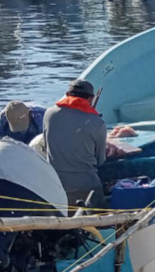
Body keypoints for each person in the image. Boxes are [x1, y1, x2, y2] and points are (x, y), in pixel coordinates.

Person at [42, 79, 108, 207]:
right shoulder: (98, 123)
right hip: (87, 188)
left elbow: (47, 146)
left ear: (67, 94)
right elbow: (100, 161)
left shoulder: (49, 114)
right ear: (91, 99)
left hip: (56, 186)